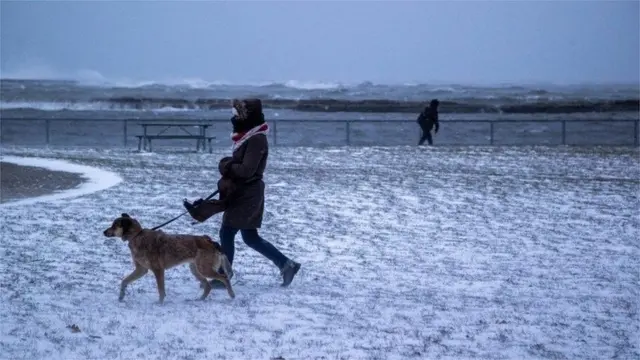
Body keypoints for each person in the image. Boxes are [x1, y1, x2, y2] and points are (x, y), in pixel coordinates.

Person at [185, 98, 301, 288]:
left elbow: (247, 170)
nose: (234, 117)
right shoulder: (248, 137)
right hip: (243, 192)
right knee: (250, 237)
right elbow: (242, 167)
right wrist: (230, 165)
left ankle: (223, 277)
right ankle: (286, 265)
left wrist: (226, 164)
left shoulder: (256, 139)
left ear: (248, 116)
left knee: (227, 232)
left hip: (248, 194)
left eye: (237, 114)